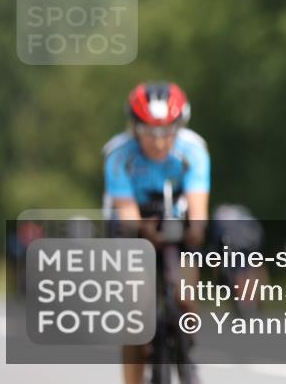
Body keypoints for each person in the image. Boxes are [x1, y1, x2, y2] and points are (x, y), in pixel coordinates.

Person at [103, 81, 210, 384]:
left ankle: (187, 346)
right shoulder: (118, 155)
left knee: (185, 292)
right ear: (134, 127)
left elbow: (199, 212)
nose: (159, 142)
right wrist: (143, 230)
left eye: (167, 131)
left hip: (177, 219)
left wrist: (195, 233)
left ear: (180, 125)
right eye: (149, 131)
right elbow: (126, 213)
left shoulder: (194, 150)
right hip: (133, 225)